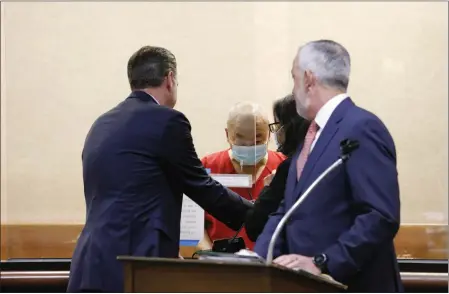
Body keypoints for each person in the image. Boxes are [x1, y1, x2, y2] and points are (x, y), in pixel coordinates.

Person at [67, 46, 253, 293]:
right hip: (137, 265)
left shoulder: (102, 123)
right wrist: (260, 215)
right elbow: (200, 185)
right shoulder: (167, 120)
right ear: (169, 79)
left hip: (91, 262)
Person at [254, 40, 403, 292]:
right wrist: (257, 259)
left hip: (351, 284)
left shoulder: (361, 128)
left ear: (309, 79)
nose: (293, 89)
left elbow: (380, 215)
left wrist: (324, 262)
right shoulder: (313, 133)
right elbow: (287, 210)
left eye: (294, 78)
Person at [196, 102, 286, 251]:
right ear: (227, 135)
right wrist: (209, 258)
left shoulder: (283, 167)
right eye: (240, 140)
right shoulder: (208, 167)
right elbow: (194, 227)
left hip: (269, 263)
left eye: (257, 140)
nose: (249, 145)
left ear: (269, 134)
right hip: (219, 264)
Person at [245, 95, 309, 242]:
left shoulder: (290, 168)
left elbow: (256, 226)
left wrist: (268, 188)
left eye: (277, 125)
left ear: (289, 127)